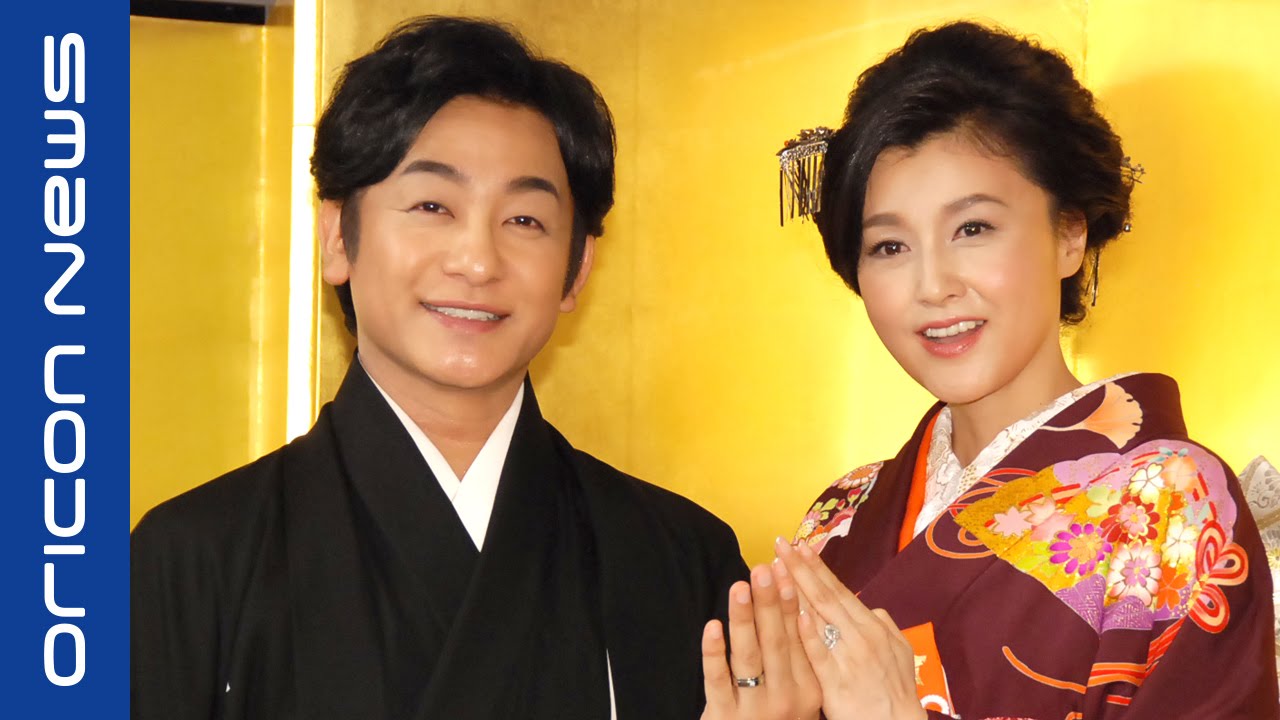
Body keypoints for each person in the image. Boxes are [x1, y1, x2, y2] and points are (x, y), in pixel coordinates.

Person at [130, 16, 748, 720]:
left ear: (577, 269)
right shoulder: (191, 560)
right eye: (432, 205)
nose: (478, 261)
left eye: (525, 220)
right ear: (337, 239)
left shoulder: (679, 559)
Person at [763, 21, 1278, 720]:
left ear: (1070, 232)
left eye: (972, 229)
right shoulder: (843, 513)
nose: (932, 286)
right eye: (888, 246)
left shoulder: (1171, 503)